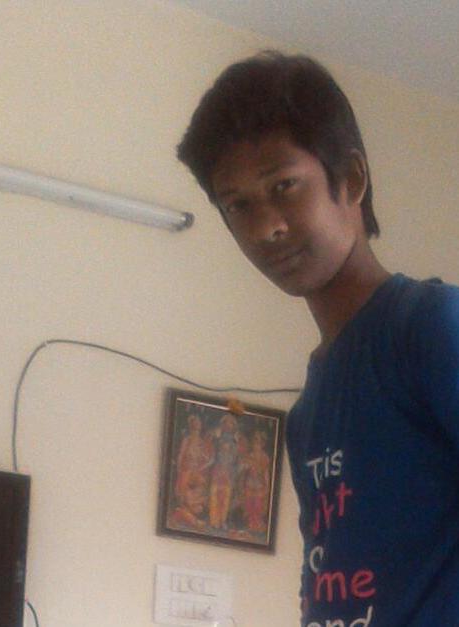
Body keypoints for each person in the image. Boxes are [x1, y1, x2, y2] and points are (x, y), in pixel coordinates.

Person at [176, 50, 459, 626]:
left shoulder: (429, 328)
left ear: (351, 179)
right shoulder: (309, 413)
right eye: (238, 205)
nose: (266, 226)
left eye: (284, 185)